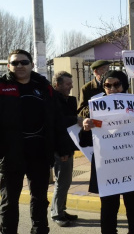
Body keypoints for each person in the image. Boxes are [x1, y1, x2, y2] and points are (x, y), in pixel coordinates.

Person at [0, 49, 72, 234]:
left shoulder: (44, 87)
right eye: (15, 63)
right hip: (10, 154)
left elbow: (57, 119)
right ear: (9, 66)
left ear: (32, 65)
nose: (20, 66)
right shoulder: (2, 86)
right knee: (9, 201)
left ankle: (40, 230)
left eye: (24, 62)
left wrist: (64, 147)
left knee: (39, 198)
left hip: (39, 153)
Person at [80, 70, 134, 234]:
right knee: (108, 207)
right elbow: (84, 142)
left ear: (124, 86)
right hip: (107, 166)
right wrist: (86, 128)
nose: (112, 89)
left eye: (117, 85)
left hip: (131, 164)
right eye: (108, 85)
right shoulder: (95, 106)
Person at [51, 71, 82, 227]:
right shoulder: (51, 100)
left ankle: (61, 209)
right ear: (58, 85)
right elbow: (58, 124)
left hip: (67, 146)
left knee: (66, 180)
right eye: (68, 84)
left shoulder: (69, 100)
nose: (71, 87)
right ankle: (57, 213)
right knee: (62, 181)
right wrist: (76, 119)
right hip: (59, 148)